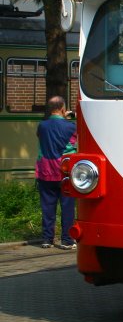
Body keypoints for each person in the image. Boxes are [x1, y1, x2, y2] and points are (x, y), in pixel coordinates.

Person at [35, 96, 77, 249]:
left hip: (45, 171)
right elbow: (76, 140)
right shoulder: (71, 127)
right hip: (64, 171)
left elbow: (42, 137)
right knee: (67, 207)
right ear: (63, 108)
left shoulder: (42, 126)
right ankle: (67, 240)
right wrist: (70, 118)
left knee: (47, 206)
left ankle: (47, 239)